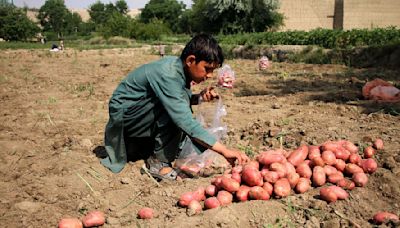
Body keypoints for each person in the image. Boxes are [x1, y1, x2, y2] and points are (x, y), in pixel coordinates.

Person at [101, 34, 249, 179]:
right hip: (126, 121)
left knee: (176, 110)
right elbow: (183, 118)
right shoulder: (169, 74)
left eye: (213, 70)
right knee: (176, 116)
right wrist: (224, 150)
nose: (209, 75)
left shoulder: (178, 68)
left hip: (137, 117)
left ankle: (150, 148)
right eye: (207, 69)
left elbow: (177, 97)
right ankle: (158, 163)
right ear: (191, 60)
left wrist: (199, 98)